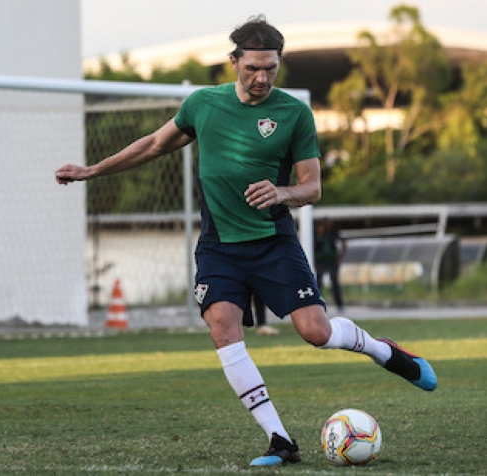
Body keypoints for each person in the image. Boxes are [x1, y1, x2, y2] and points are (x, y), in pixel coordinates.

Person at [54, 15, 437, 467]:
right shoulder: (203, 105)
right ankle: (280, 440)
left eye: (270, 69)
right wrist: (93, 170)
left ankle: (382, 349)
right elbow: (154, 145)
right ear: (233, 61)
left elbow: (312, 187)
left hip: (273, 241)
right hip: (219, 246)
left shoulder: (293, 113)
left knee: (316, 332)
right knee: (222, 327)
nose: (261, 78)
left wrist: (282, 192)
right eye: (252, 68)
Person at [314, 217, 346, 312]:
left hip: (332, 260)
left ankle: (339, 305)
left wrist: (339, 257)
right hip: (321, 260)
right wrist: (315, 261)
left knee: (335, 283)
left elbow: (343, 243)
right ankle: (318, 304)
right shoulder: (318, 234)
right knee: (318, 283)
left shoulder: (334, 233)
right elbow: (314, 247)